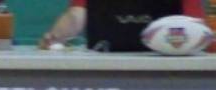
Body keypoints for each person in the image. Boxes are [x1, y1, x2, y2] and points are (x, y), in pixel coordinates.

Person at [39, 0, 207, 48]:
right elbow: (78, 14)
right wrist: (56, 37)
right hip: (107, 68)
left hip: (170, 68)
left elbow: (198, 28)